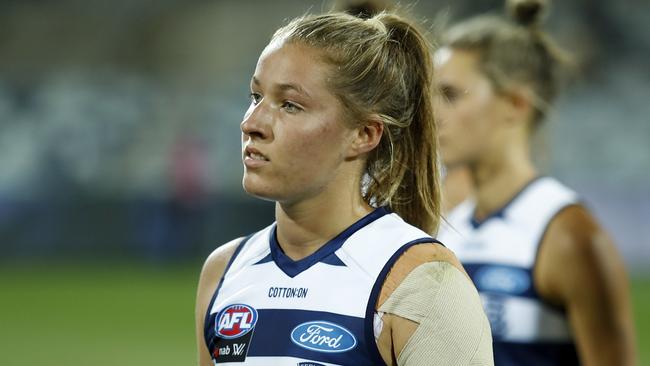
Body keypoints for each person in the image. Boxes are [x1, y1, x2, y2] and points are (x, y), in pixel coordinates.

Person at [195, 11, 493, 366]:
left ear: (364, 134)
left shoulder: (421, 282)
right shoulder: (224, 271)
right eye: (256, 96)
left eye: (290, 105)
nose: (251, 123)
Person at [435, 0, 637, 365]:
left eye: (450, 95)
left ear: (515, 103)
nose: (432, 115)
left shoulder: (568, 234)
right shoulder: (454, 227)